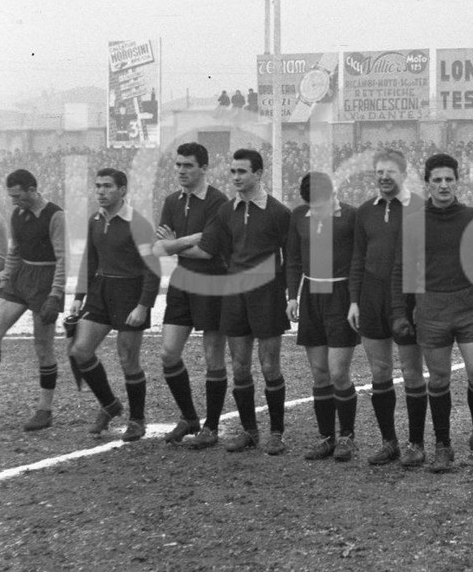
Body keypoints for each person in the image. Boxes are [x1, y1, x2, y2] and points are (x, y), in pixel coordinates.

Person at [177, 148, 291, 454]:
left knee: (270, 366)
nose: (236, 177)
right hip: (235, 295)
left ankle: (276, 433)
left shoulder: (279, 212)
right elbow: (213, 249)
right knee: (240, 367)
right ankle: (250, 432)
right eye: (233, 171)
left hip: (267, 296)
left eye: (242, 171)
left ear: (258, 174)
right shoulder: (227, 211)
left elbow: (291, 257)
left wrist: (285, 292)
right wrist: (170, 247)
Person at [391, 152, 473, 473]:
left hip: (469, 305)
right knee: (439, 378)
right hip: (431, 307)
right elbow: (402, 269)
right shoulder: (414, 221)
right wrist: (399, 312)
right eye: (437, 180)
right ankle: (442, 444)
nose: (444, 185)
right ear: (427, 183)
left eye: (449, 179)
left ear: (458, 182)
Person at [347, 148, 425, 467]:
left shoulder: (420, 208)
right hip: (371, 296)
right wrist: (354, 300)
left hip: (407, 297)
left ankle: (416, 444)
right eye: (379, 172)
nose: (383, 177)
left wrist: (420, 301)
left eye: (390, 172)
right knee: (379, 370)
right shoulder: (365, 211)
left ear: (403, 174)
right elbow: (357, 257)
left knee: (411, 371)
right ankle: (388, 442)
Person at [70, 168, 161, 440]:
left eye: (107, 186)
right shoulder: (95, 219)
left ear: (122, 190)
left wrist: (143, 306)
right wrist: (78, 296)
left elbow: (153, 269)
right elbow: (89, 260)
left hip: (129, 293)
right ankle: (110, 405)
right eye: (98, 186)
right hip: (100, 291)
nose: (101, 191)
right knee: (80, 350)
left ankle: (137, 419)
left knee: (127, 359)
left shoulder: (139, 223)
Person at [150, 143, 229, 447]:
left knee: (213, 357)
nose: (181, 171)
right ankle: (189, 418)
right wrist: (190, 240)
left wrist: (176, 244)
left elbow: (208, 251)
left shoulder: (217, 201)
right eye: (178, 165)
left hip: (212, 282)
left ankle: (211, 427)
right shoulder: (172, 201)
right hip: (182, 281)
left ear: (204, 168)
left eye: (188, 165)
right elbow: (159, 248)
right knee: (168, 353)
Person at [286, 172, 360, 461]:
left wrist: (355, 300)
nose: (316, 211)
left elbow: (358, 261)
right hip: (312, 295)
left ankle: (347, 437)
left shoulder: (350, 217)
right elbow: (293, 258)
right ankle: (326, 437)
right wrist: (292, 296)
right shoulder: (298, 216)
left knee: (338, 372)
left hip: (340, 294)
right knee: (319, 372)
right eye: (312, 206)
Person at [0, 171, 65, 430]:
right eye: (11, 196)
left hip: (45, 281)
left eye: (18, 196)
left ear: (32, 190)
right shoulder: (17, 214)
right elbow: (14, 252)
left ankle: (45, 409)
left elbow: (63, 259)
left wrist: (55, 295)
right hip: (20, 278)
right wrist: (4, 284)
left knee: (43, 348)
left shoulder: (55, 215)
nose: (14, 201)